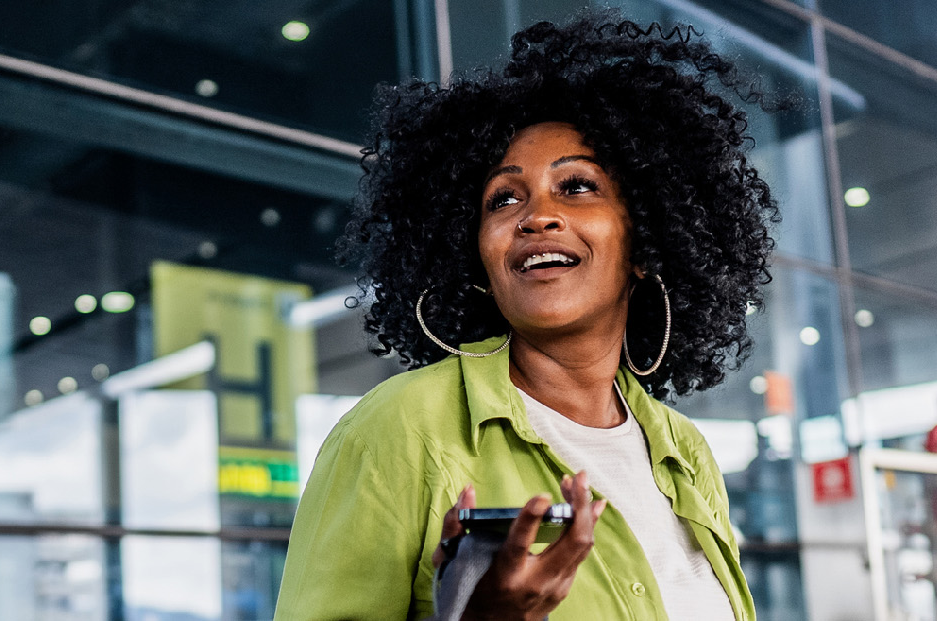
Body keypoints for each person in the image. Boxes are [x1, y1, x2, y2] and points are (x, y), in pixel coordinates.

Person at [276, 12, 778, 621]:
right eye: (504, 198)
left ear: (646, 245)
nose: (536, 216)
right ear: (477, 259)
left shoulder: (686, 452)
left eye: (577, 186)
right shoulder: (400, 430)